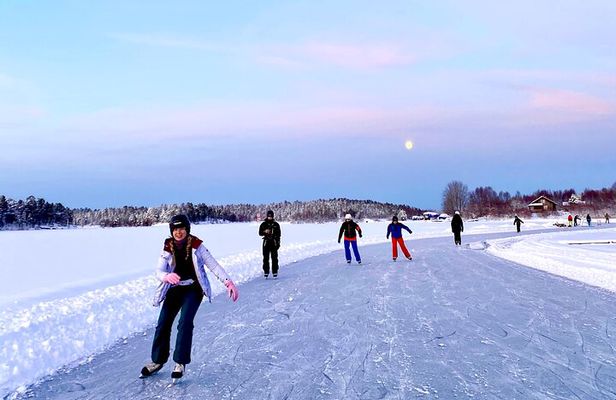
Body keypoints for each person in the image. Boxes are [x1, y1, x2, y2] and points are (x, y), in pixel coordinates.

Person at [141, 215, 239, 381]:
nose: (178, 232)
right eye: (175, 229)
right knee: (163, 323)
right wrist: (166, 276)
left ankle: (180, 362)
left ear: (187, 229)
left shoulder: (197, 246)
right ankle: (157, 361)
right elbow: (158, 271)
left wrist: (228, 282)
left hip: (193, 289)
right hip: (174, 288)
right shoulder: (167, 247)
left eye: (181, 229)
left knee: (185, 322)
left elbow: (213, 264)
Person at [259, 210, 281, 279]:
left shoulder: (276, 224)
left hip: (274, 243)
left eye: (271, 216)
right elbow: (260, 233)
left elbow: (279, 235)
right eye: (268, 216)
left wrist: (278, 243)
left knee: (274, 258)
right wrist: (265, 231)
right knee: (265, 258)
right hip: (266, 243)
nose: (270, 217)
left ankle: (275, 272)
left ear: (273, 216)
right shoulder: (263, 224)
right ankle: (266, 272)